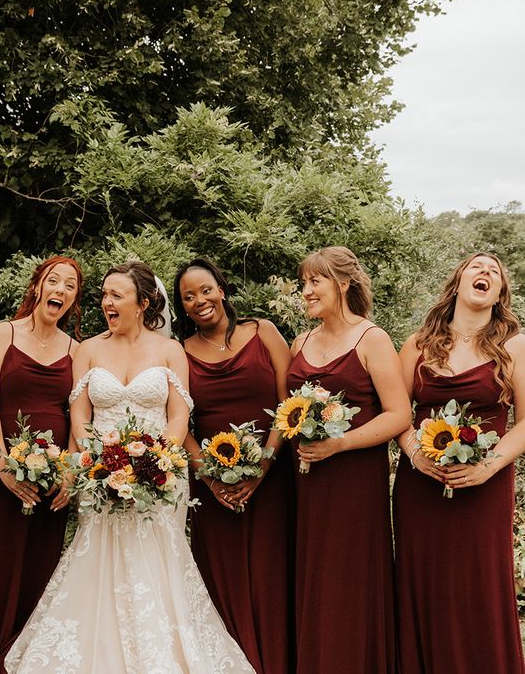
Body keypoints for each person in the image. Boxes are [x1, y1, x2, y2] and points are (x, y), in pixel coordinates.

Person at [4, 261, 255, 673]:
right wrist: (95, 465)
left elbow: (178, 418)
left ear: (143, 303)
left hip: (161, 479)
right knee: (100, 560)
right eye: (103, 294)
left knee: (156, 565)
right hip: (99, 477)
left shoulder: (171, 351)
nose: (106, 302)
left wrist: (155, 462)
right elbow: (79, 419)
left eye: (116, 295)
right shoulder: (88, 350)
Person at [0, 256, 83, 674]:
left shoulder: (77, 350)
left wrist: (70, 472)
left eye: (70, 286)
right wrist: (4, 467)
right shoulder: (2, 333)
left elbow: (79, 414)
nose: (59, 290)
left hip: (51, 482)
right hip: (0, 476)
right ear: (38, 286)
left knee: (37, 576)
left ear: (75, 299)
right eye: (53, 281)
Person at [392, 252, 525, 673]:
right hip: (420, 487)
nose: (485, 273)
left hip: (486, 487)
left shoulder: (516, 346)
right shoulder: (417, 344)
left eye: (494, 273)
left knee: (480, 587)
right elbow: (396, 414)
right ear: (459, 281)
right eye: (477, 267)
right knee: (425, 585)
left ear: (499, 292)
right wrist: (414, 453)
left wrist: (488, 466)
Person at [286, 246, 410, 674]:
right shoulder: (299, 342)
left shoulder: (371, 338)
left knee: (349, 579)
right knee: (315, 578)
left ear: (342, 284)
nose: (305, 291)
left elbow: (399, 414)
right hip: (307, 481)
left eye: (314, 282)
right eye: (304, 283)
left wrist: (338, 444)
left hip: (354, 481)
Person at [173, 258, 294, 674]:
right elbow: (178, 423)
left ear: (222, 290)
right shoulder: (180, 353)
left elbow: (288, 405)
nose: (199, 301)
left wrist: (263, 465)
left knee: (271, 577)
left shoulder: (263, 332)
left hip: (273, 477)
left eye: (205, 290)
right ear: (183, 308)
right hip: (213, 487)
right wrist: (207, 474)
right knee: (220, 581)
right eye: (188, 297)